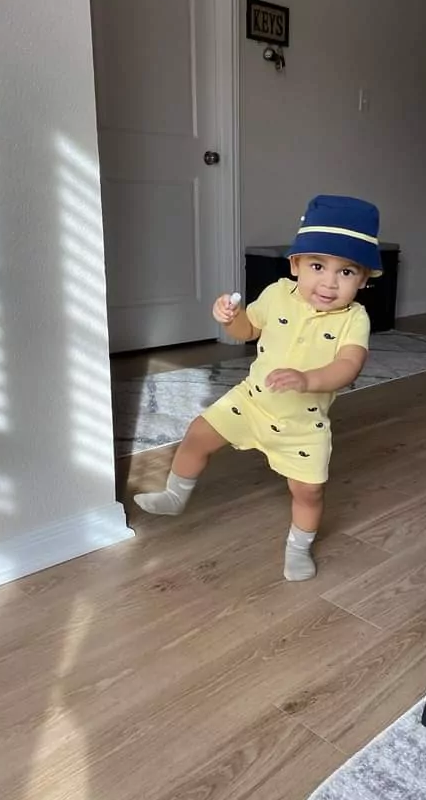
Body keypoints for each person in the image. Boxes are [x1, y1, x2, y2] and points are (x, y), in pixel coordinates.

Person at [134, 194, 382, 581]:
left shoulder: (354, 319)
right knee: (198, 433)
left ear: (364, 279)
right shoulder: (276, 294)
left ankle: (298, 548)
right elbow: (248, 329)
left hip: (302, 424)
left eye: (346, 272)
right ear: (296, 265)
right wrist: (229, 318)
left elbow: (349, 366)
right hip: (251, 400)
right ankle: (174, 495)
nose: (329, 282)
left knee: (308, 492)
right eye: (318, 266)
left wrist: (308, 380)